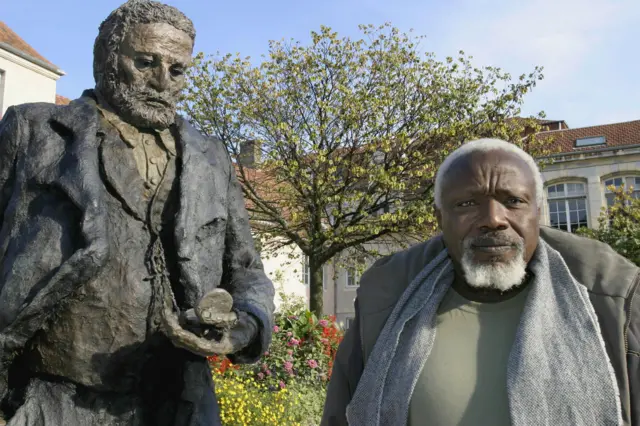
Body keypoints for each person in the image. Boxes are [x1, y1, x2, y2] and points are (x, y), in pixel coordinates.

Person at [0, 1, 275, 425]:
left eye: (177, 70)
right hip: (57, 396)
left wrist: (246, 324)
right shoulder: (33, 131)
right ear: (106, 59)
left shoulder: (211, 158)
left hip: (179, 398)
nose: (162, 81)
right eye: (146, 62)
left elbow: (246, 271)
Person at [321, 138, 639, 426]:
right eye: (466, 204)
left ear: (537, 212)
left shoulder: (614, 299)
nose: (493, 218)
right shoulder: (386, 299)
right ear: (439, 218)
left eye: (513, 201)